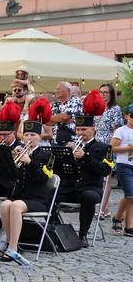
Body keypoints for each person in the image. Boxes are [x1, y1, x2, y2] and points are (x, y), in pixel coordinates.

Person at [0, 120, 54, 267]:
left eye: (33, 134)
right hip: (21, 196)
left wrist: (30, 163)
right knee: (5, 205)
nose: (29, 137)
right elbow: (11, 177)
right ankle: (12, 243)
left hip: (38, 198)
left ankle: (12, 248)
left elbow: (43, 180)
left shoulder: (47, 155)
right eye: (27, 134)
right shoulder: (19, 151)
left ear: (40, 137)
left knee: (15, 206)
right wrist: (12, 160)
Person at [57, 113, 112, 247]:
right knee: (50, 195)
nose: (80, 133)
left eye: (84, 129)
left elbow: (105, 170)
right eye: (78, 130)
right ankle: (57, 231)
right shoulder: (72, 146)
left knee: (88, 197)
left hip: (91, 188)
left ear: (93, 128)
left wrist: (84, 157)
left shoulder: (104, 148)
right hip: (72, 188)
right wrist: (65, 155)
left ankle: (82, 235)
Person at [95, 83, 124, 218]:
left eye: (106, 92)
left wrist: (111, 148)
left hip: (108, 146)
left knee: (107, 178)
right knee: (100, 179)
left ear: (111, 94)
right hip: (97, 146)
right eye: (101, 92)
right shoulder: (98, 108)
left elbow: (117, 129)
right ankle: (105, 209)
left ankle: (101, 209)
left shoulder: (115, 109)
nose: (103, 94)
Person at [110, 104, 133, 237]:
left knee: (131, 196)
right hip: (124, 165)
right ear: (126, 116)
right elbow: (112, 148)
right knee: (130, 195)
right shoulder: (121, 130)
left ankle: (127, 225)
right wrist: (129, 148)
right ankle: (120, 219)